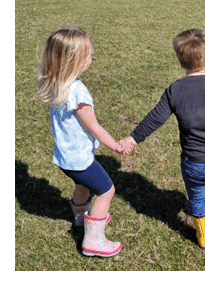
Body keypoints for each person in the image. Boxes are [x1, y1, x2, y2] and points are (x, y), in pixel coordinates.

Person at [120, 29, 205, 248]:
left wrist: (133, 138)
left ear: (181, 61)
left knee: (198, 198)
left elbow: (155, 118)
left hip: (195, 165)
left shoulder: (175, 90)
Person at [36, 27, 127, 257]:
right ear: (72, 61)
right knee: (106, 190)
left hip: (66, 157)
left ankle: (80, 217)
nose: (91, 60)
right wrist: (115, 145)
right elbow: (93, 126)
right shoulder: (77, 91)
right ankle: (93, 240)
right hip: (79, 159)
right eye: (87, 56)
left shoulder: (56, 83)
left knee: (82, 184)